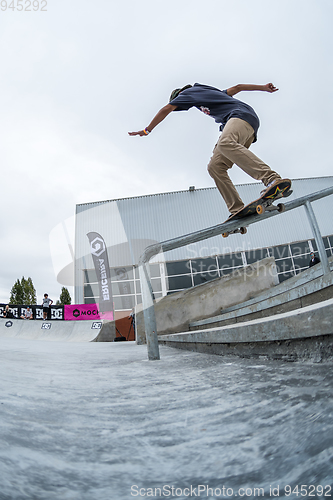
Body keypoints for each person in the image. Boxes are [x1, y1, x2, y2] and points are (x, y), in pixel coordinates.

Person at [129, 82, 291, 218]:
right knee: (215, 167)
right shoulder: (212, 94)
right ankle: (237, 209)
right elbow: (238, 87)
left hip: (240, 117)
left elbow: (166, 109)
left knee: (225, 143)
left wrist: (146, 130)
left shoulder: (189, 93)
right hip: (247, 125)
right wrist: (264, 88)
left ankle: (271, 179)